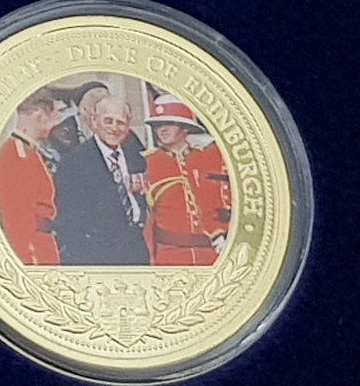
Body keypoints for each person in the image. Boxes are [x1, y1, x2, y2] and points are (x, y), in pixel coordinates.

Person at [51, 89, 150, 264]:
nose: (114, 128)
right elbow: (68, 221)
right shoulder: (73, 162)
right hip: (95, 255)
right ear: (94, 122)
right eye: (108, 121)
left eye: (121, 123)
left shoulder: (136, 158)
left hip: (135, 251)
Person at [144, 96, 231, 267]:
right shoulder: (147, 162)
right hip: (168, 256)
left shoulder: (207, 159)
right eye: (158, 125)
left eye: (169, 123)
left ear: (185, 127)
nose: (162, 129)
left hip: (211, 254)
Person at [0, 91, 63, 265]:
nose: (55, 123)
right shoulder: (16, 156)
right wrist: (28, 266)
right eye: (53, 115)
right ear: (40, 114)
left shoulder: (27, 152)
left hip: (43, 249)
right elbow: (17, 223)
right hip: (34, 254)